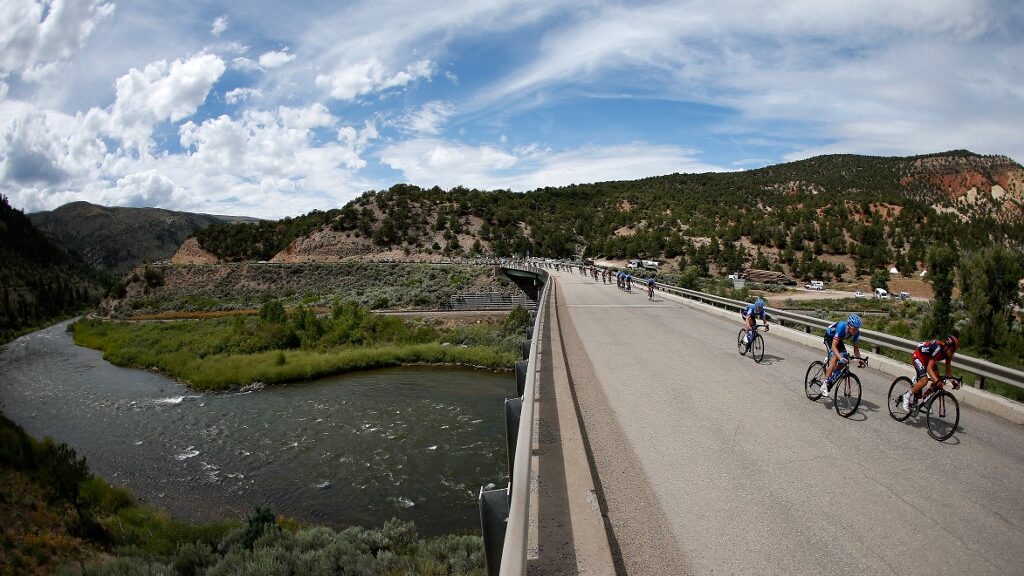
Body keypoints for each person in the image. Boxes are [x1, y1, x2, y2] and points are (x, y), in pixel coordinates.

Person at [901, 331, 960, 411]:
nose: (953, 353)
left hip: (928, 360)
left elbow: (948, 369)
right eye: (952, 350)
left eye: (954, 351)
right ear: (947, 346)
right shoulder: (938, 349)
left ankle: (927, 398)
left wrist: (953, 382)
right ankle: (907, 396)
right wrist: (937, 381)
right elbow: (929, 368)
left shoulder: (947, 353)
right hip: (919, 357)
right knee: (925, 380)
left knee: (938, 378)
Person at [821, 314, 864, 397]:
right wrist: (839, 357)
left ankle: (831, 377)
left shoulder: (856, 332)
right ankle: (824, 384)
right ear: (848, 325)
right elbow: (833, 346)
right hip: (829, 337)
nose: (855, 331)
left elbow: (856, 349)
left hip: (838, 340)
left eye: (857, 329)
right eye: (854, 329)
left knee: (844, 360)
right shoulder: (841, 326)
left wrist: (859, 359)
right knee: (835, 358)